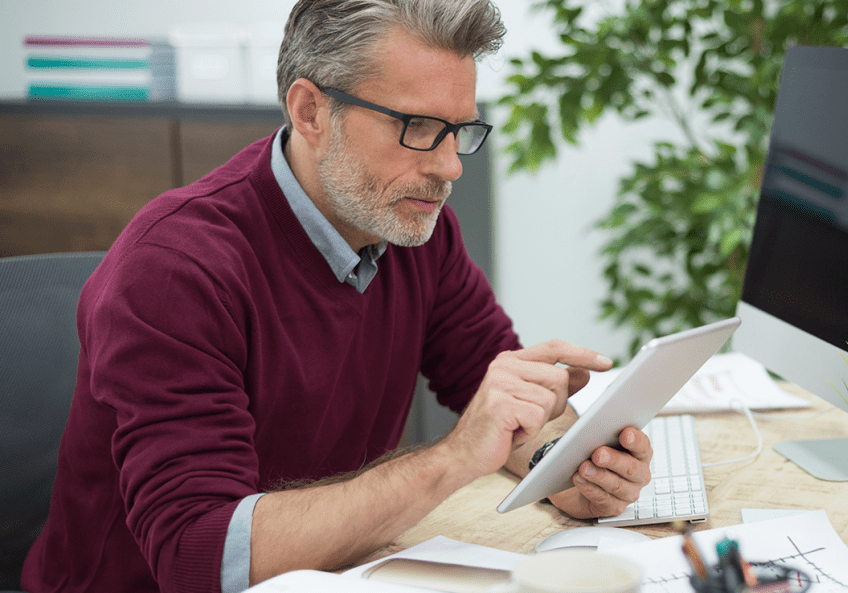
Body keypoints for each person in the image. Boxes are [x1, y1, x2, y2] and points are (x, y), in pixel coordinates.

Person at [21, 1, 653, 591]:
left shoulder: (416, 231)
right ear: (311, 113)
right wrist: (453, 458)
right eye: (418, 127)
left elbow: (505, 405)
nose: (450, 166)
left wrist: (566, 468)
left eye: (459, 130)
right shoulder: (175, 269)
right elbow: (201, 555)